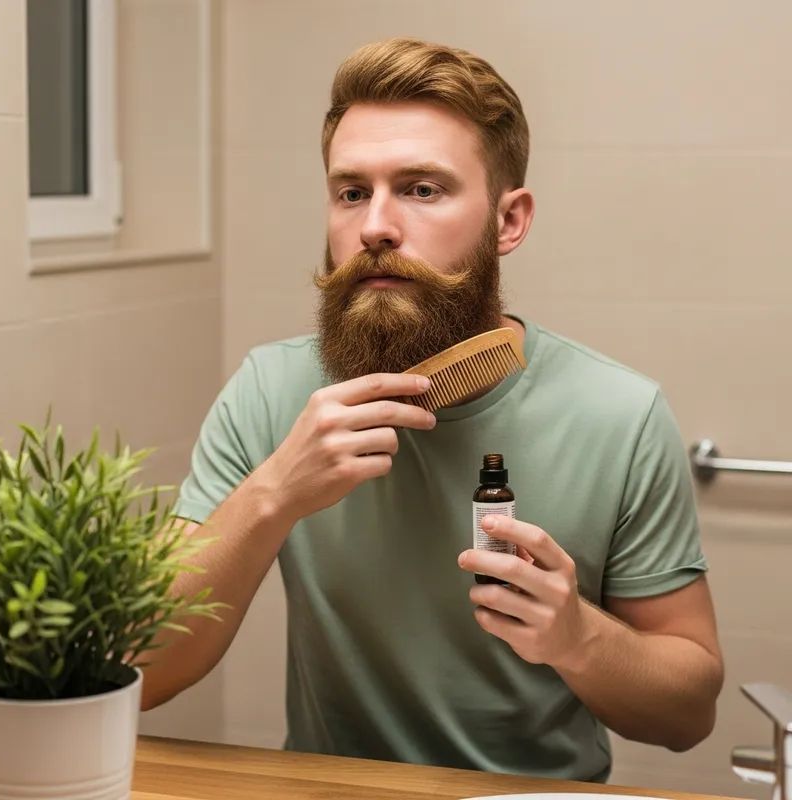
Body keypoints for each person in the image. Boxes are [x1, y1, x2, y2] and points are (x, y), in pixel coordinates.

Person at [140, 37, 724, 782]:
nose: (376, 227)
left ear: (508, 221)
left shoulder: (619, 415)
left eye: (422, 189)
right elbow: (143, 671)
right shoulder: (270, 394)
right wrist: (272, 495)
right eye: (352, 192)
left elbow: (688, 715)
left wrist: (577, 637)